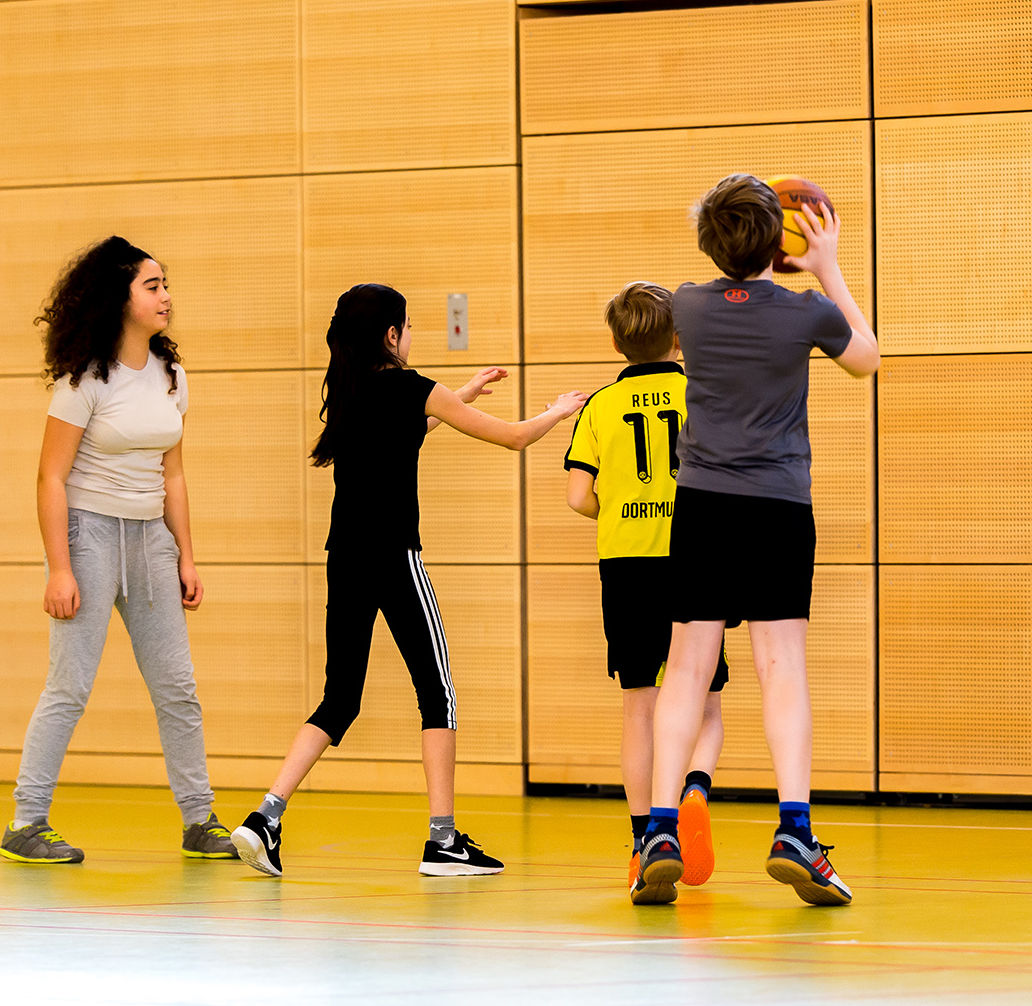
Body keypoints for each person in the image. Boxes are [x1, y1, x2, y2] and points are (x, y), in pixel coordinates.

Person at [232, 283, 586, 879]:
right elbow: (514, 436)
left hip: (345, 558)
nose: (412, 336)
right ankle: (443, 842)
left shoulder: (349, 390)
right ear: (391, 335)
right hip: (394, 558)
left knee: (339, 700)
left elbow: (399, 433)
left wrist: (460, 395)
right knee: (437, 693)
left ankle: (265, 816)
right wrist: (559, 409)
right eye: (409, 326)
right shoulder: (413, 388)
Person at [631, 175, 880, 907]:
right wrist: (827, 265)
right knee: (782, 669)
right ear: (781, 243)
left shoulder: (687, 306)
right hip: (777, 508)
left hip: (702, 508)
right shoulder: (806, 314)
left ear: (708, 242)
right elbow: (866, 358)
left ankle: (659, 832)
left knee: (685, 670)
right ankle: (795, 831)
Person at [2, 236, 236, 864]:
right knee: (70, 686)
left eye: (166, 285)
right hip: (89, 535)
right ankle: (26, 821)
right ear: (119, 298)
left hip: (151, 538)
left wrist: (186, 556)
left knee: (177, 686)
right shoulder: (84, 379)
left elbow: (173, 474)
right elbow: (50, 477)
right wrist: (60, 567)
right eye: (152, 286)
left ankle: (199, 819)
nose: (165, 296)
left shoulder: (172, 376)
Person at [565, 282, 727, 891]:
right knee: (704, 699)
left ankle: (643, 842)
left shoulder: (600, 406)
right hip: (695, 555)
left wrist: (619, 510)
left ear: (616, 343)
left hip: (627, 565)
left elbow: (578, 496)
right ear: (679, 338)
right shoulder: (703, 391)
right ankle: (693, 790)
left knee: (639, 705)